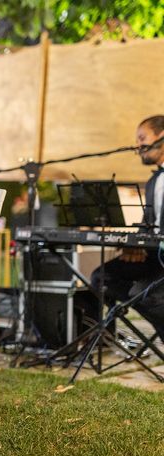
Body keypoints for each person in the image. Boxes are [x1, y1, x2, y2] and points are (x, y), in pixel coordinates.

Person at [91, 115, 164, 341]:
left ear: (161, 137)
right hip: (155, 256)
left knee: (142, 293)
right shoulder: (154, 182)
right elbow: (147, 225)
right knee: (102, 277)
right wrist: (134, 246)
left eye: (142, 138)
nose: (137, 145)